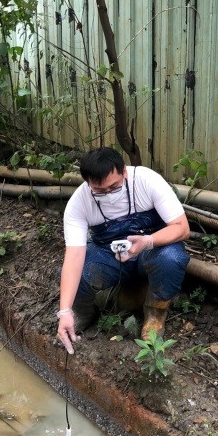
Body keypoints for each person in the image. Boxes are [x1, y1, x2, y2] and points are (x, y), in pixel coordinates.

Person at [57, 147, 191, 353]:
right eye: (100, 191)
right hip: (108, 254)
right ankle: (82, 314)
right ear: (88, 183)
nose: (109, 195)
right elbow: (74, 256)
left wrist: (147, 241)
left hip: (151, 248)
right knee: (78, 272)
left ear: (124, 172)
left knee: (171, 257)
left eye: (114, 187)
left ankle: (155, 314)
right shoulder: (78, 203)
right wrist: (64, 310)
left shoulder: (147, 181)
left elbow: (182, 228)